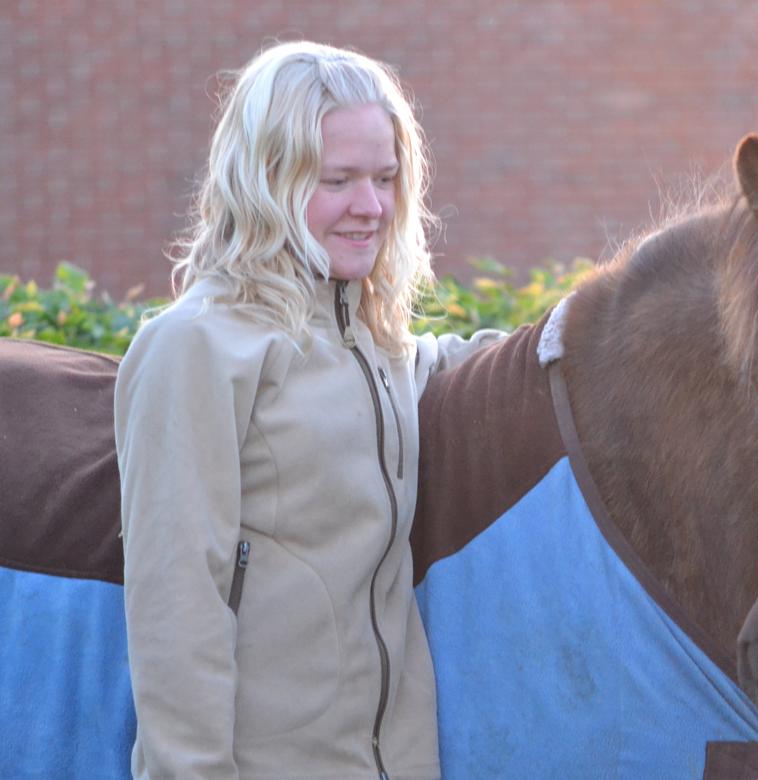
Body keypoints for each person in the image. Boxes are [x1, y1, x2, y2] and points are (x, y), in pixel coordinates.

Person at [114, 40, 500, 779]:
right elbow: (175, 608)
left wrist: (587, 333)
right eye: (338, 180)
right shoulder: (195, 348)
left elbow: (443, 367)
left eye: (386, 178)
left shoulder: (376, 347)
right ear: (265, 179)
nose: (373, 206)